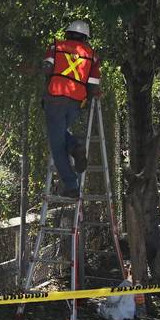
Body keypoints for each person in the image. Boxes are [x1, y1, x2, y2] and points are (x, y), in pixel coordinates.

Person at [40, 20, 102, 198]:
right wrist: (91, 96)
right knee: (59, 135)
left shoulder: (56, 46)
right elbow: (93, 85)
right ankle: (76, 147)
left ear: (67, 33)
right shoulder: (92, 55)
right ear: (86, 37)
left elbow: (47, 68)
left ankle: (71, 185)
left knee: (57, 145)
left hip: (55, 100)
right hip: (76, 103)